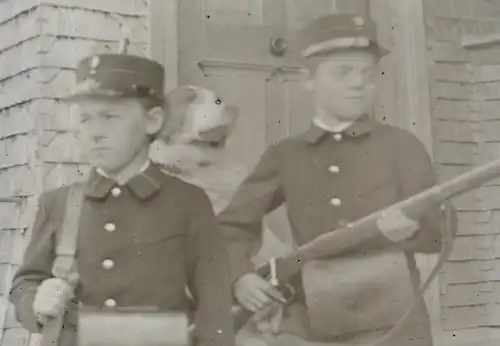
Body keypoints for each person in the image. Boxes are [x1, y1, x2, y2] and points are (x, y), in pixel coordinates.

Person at [218, 13, 457, 346]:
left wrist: (410, 232)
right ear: (308, 79)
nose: (358, 83)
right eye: (343, 72)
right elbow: (230, 227)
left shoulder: (402, 146)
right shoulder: (286, 155)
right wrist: (239, 276)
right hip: (313, 318)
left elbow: (436, 235)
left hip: (393, 319)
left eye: (368, 74)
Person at [9, 47, 235, 346]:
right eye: (86, 119)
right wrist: (35, 303)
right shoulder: (59, 203)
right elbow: (26, 281)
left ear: (153, 121)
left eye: (109, 117)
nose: (95, 132)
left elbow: (214, 307)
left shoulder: (188, 202)